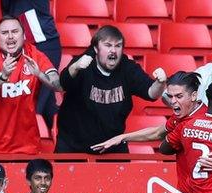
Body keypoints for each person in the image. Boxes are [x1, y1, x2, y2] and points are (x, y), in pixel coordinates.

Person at [56, 25, 167, 154]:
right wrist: (75, 67)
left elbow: (151, 93)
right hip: (73, 146)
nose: (113, 51)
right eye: (108, 45)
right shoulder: (83, 64)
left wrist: (160, 83)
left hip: (112, 146)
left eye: (118, 46)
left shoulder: (128, 68)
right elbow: (63, 83)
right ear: (96, 48)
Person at [0, 15, 62, 154]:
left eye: (15, 31)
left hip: (26, 146)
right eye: (4, 33)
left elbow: (58, 86)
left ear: (24, 35)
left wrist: (39, 74)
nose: (10, 37)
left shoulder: (34, 55)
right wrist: (2, 75)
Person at [1, 0, 61, 129]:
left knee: (36, 105)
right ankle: (63, 141)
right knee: (47, 105)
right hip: (24, 46)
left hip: (45, 44)